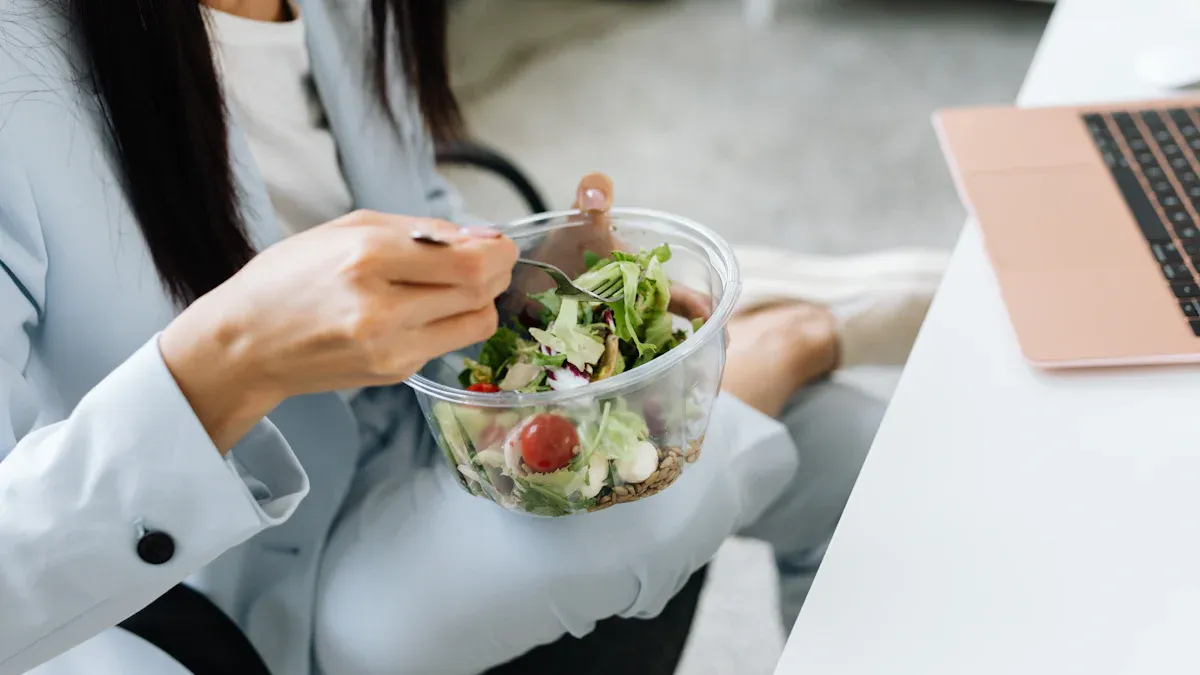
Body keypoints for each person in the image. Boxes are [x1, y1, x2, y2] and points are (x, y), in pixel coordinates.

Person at [0, 1, 940, 674]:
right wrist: (225, 359)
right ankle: (798, 329)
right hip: (230, 596)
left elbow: (405, 203)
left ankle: (781, 331)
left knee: (869, 460)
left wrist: (506, 284)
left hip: (427, 427)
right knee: (657, 489)